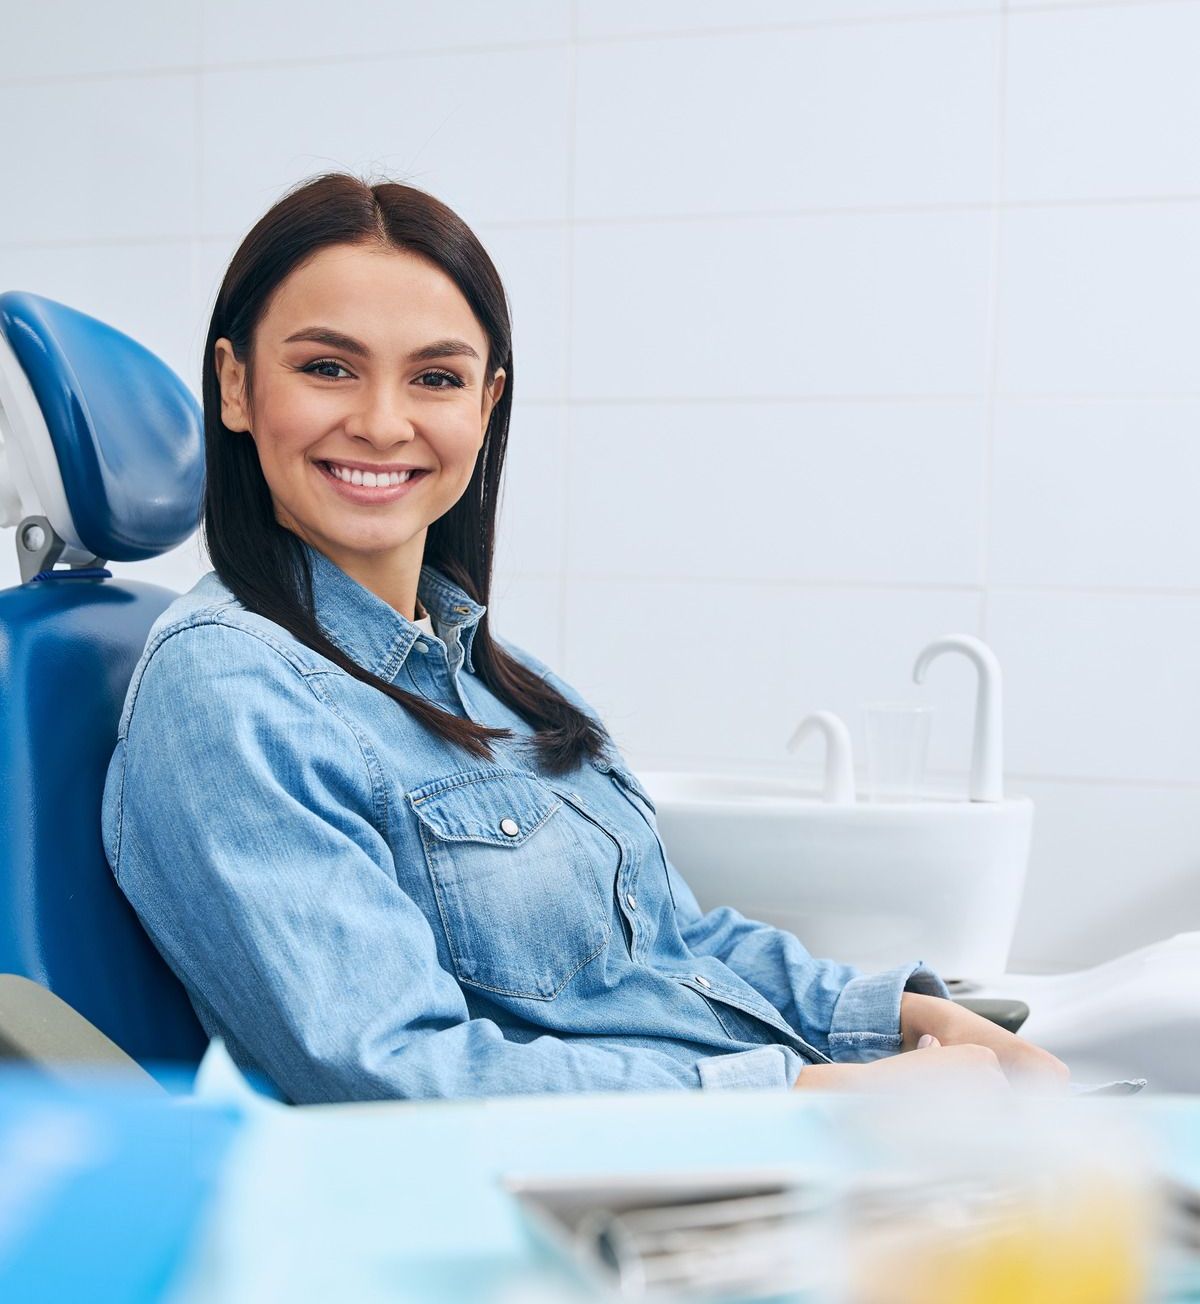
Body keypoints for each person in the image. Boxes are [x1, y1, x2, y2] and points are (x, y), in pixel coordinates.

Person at [101, 173, 1069, 1106]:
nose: (382, 421)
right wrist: (817, 1096)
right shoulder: (227, 684)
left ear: (486, 407)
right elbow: (389, 1067)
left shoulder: (506, 690)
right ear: (234, 385)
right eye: (327, 368)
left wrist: (897, 1020)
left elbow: (670, 949)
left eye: (435, 377)